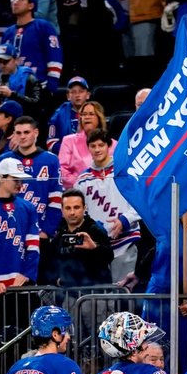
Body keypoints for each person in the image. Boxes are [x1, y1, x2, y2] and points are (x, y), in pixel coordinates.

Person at [73, 128, 141, 283]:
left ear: (108, 146)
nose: (97, 149)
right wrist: (92, 228)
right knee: (100, 296)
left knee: (123, 292)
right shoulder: (82, 180)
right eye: (93, 146)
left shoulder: (126, 172)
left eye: (101, 145)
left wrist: (125, 219)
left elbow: (141, 200)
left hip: (125, 240)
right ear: (88, 148)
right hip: (96, 246)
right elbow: (77, 211)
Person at [0, 157, 41, 293]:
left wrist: (27, 274)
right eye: (15, 179)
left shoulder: (28, 207)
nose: (19, 183)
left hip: (23, 284)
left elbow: (33, 246)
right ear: (2, 178)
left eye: (20, 179)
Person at [0, 114, 63, 237]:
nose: (22, 136)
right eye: (18, 133)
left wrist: (47, 231)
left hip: (39, 230)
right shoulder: (4, 159)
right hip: (9, 230)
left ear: (36, 132)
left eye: (26, 132)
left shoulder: (51, 160)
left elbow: (56, 199)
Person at [1, 0, 63, 93]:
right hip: (11, 88)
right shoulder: (8, 32)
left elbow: (54, 55)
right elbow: (1, 62)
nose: (15, 1)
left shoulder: (43, 26)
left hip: (37, 85)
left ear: (31, 6)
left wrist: (51, 84)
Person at [47, 189, 113, 287]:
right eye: (68, 208)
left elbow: (109, 256)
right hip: (69, 295)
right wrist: (59, 281)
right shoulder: (58, 237)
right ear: (62, 211)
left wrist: (94, 248)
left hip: (96, 294)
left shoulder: (95, 230)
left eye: (76, 207)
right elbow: (49, 267)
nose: (72, 212)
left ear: (84, 208)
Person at [58, 101, 114, 190]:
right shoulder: (68, 141)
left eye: (91, 114)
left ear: (99, 117)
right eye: (84, 114)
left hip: (108, 189)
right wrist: (82, 183)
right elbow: (62, 170)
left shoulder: (114, 144)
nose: (87, 117)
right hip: (77, 191)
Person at [0, 42, 45, 116]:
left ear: (16, 60)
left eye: (6, 61)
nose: (2, 65)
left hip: (25, 120)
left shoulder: (29, 79)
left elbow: (37, 104)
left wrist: (12, 95)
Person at [46, 76, 89, 152]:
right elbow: (51, 143)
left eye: (81, 91)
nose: (77, 95)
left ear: (88, 95)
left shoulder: (95, 113)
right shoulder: (58, 115)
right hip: (66, 157)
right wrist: (71, 151)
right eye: (73, 92)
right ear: (68, 96)